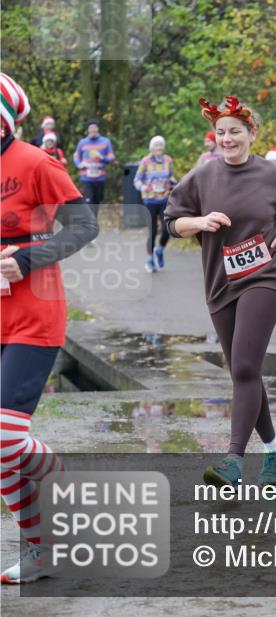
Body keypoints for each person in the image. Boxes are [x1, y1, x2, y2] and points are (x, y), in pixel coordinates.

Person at [165, 96, 276, 488]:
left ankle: (233, 460)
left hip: (267, 273)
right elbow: (172, 222)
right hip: (220, 281)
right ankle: (275, 445)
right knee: (241, 371)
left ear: (252, 134)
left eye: (235, 131)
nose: (227, 139)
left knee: (246, 366)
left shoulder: (271, 173)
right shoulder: (201, 177)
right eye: (221, 132)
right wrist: (199, 221)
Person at [0, 73, 99, 584]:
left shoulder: (36, 163)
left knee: (3, 439)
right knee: (2, 454)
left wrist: (29, 257)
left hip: (34, 316)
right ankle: (41, 551)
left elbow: (85, 227)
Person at [134, 135, 177, 273]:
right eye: (156, 145)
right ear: (151, 148)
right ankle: (149, 259)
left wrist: (173, 182)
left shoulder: (168, 160)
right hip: (150, 200)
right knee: (152, 230)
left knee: (167, 228)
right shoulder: (145, 162)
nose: (159, 148)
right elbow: (137, 180)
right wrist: (144, 187)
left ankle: (160, 249)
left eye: (161, 145)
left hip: (164, 199)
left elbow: (170, 175)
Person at [72, 119, 115, 219]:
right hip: (86, 177)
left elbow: (111, 158)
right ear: (88, 130)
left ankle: (93, 220)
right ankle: (90, 222)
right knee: (89, 200)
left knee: (97, 201)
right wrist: (79, 164)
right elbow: (76, 156)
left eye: (94, 127)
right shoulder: (82, 142)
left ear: (98, 129)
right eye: (90, 128)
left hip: (100, 177)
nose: (93, 130)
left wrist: (102, 157)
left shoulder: (105, 142)